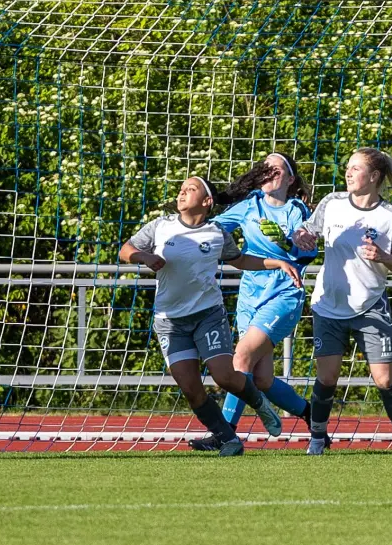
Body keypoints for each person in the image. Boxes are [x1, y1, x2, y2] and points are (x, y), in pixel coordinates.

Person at [120, 176, 304, 456]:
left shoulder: (216, 232)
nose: (182, 193)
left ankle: (259, 403)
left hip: (208, 315)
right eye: (181, 189)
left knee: (225, 376)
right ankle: (228, 439)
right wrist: (143, 258)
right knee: (191, 388)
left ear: (207, 202)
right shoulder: (161, 226)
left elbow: (241, 260)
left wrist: (276, 262)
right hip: (169, 321)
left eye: (190, 189)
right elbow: (126, 249)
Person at [292, 149, 392, 455]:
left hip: (370, 306)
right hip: (328, 306)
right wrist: (302, 236)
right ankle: (317, 440)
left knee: (384, 379)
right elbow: (307, 231)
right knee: (327, 378)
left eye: (356, 169)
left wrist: (383, 257)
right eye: (348, 168)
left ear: (374, 177)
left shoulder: (389, 216)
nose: (348, 173)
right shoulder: (332, 203)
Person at [197, 152, 316, 449]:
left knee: (241, 358)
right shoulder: (249, 206)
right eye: (265, 168)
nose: (268, 173)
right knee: (261, 379)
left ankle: (225, 434)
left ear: (289, 180)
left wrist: (287, 242)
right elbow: (212, 230)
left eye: (276, 170)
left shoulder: (296, 209)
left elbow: (307, 252)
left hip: (284, 293)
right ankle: (314, 415)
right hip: (250, 295)